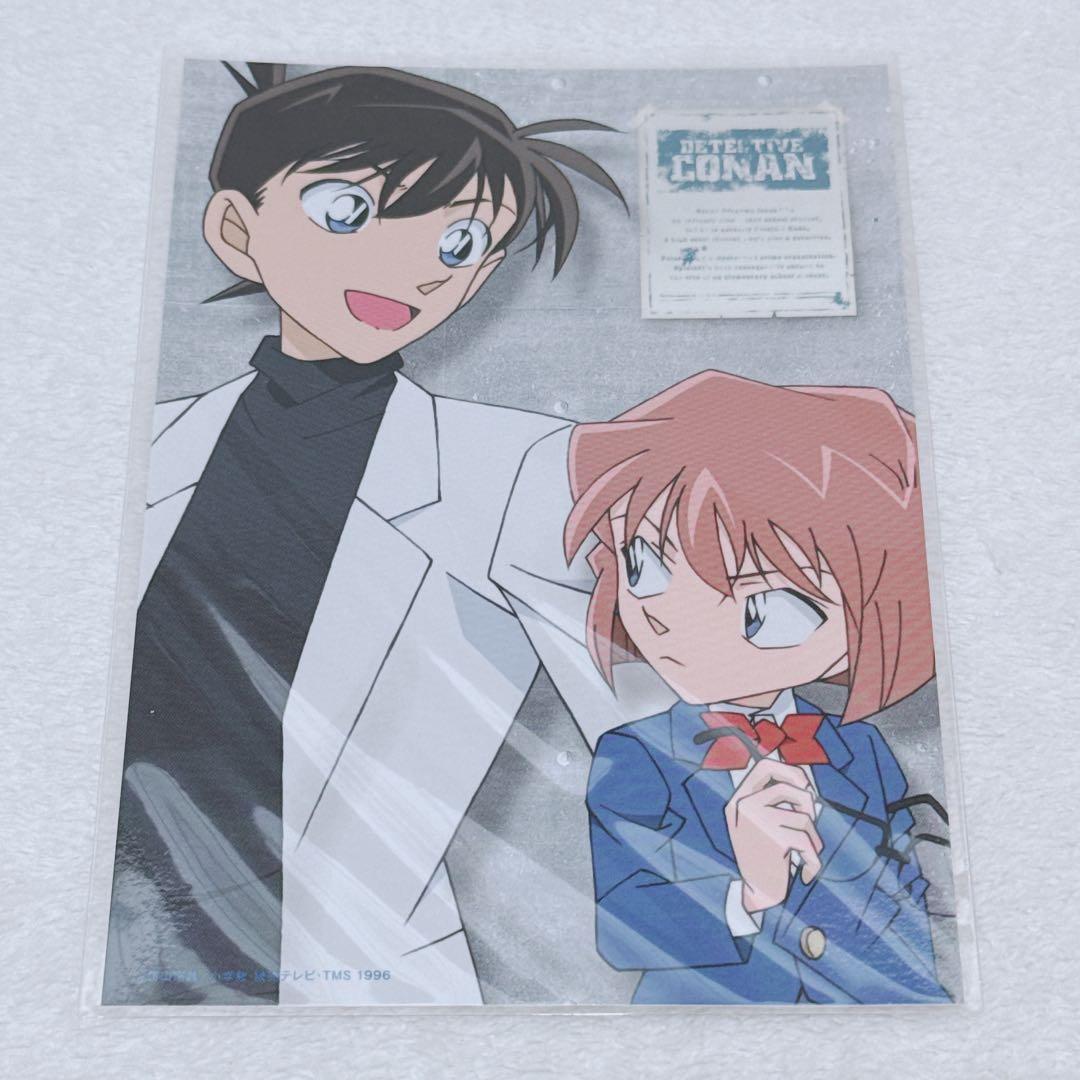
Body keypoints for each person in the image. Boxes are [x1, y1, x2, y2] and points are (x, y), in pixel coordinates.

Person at [104, 61, 629, 1005]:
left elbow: (655, 711)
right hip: (104, 944)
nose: (415, 267)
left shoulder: (515, 470)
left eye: (462, 240)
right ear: (236, 231)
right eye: (348, 211)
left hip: (346, 974)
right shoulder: (135, 451)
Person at [561, 370, 951, 1004]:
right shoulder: (636, 758)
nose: (671, 619)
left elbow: (901, 911)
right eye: (644, 565)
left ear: (867, 627)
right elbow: (625, 928)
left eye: (763, 610)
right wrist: (749, 894)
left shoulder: (862, 751)